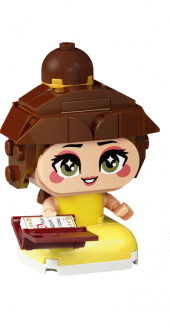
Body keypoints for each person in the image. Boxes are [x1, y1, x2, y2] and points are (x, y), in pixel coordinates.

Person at [2, 42, 158, 273]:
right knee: (59, 249)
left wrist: (117, 208)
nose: (89, 174)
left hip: (99, 223)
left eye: (111, 161)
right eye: (68, 166)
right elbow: (51, 204)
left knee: (123, 240)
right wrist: (49, 214)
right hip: (66, 226)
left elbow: (107, 200)